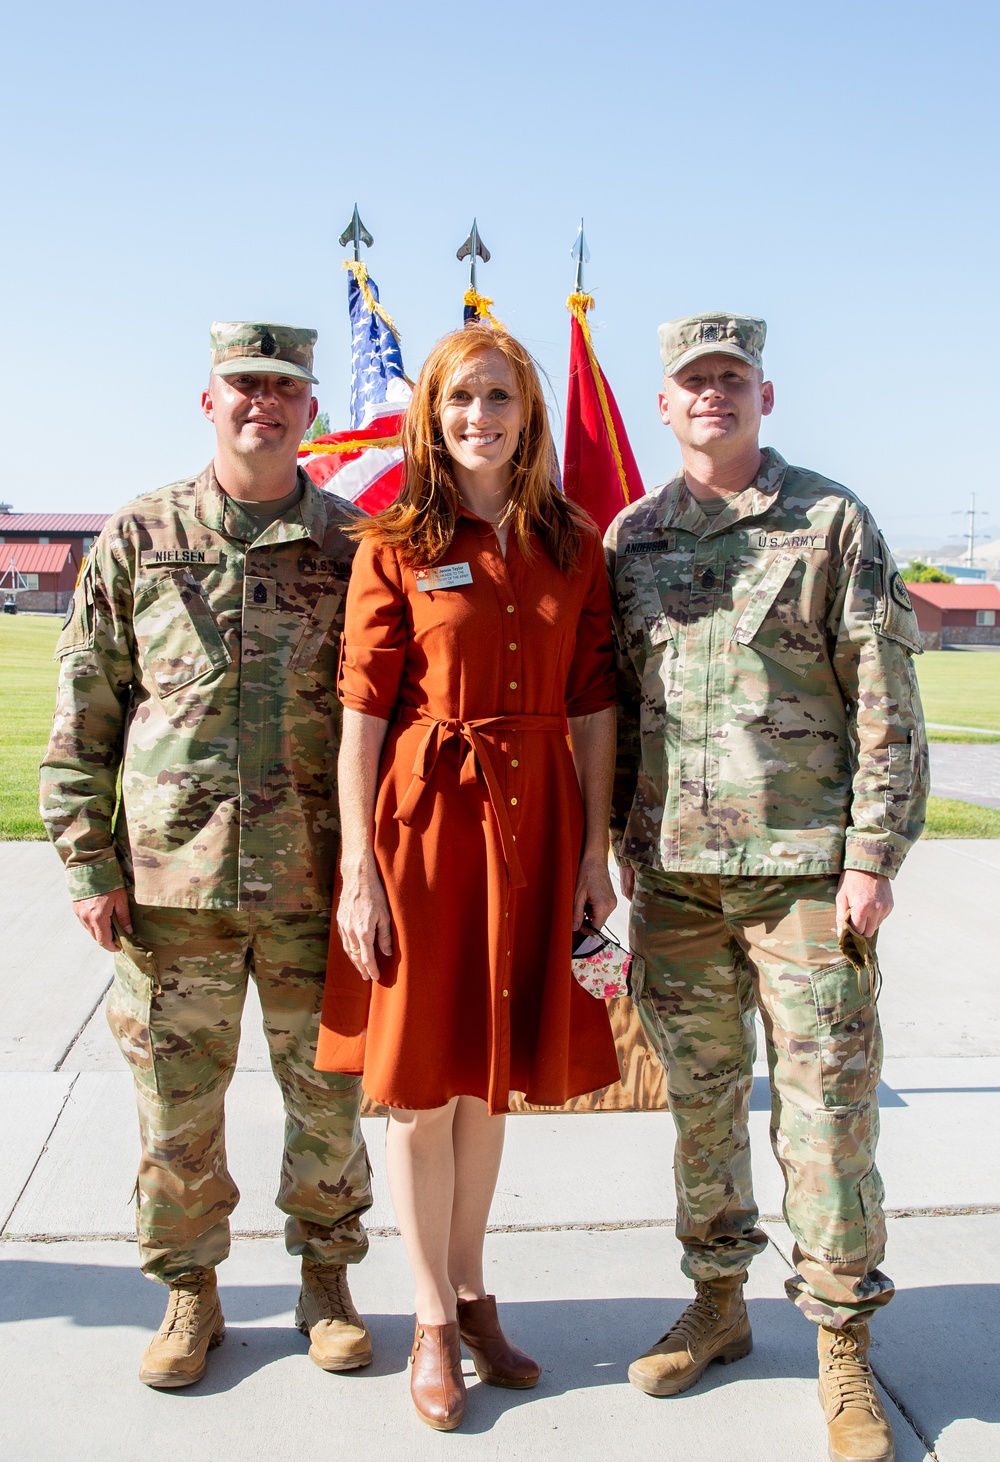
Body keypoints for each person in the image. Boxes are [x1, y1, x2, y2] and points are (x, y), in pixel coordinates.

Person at [606, 313, 927, 1462]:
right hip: (675, 884)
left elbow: (885, 699)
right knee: (700, 1112)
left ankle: (842, 1342)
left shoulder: (830, 520)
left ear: (764, 395)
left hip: (801, 879)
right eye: (692, 382)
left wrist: (871, 858)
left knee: (827, 1117)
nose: (711, 396)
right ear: (664, 403)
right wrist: (613, 857)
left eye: (730, 379)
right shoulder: (632, 539)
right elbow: (613, 713)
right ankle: (719, 1300)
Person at [40, 322, 373, 1389]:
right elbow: (86, 704)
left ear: (310, 410)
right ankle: (191, 1289)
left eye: (284, 390)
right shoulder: (140, 533)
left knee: (327, 1095)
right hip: (169, 884)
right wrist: (89, 860)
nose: (263, 406)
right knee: (176, 1106)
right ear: (209, 400)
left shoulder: (353, 545)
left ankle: (326, 1279)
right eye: (244, 386)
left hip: (313, 882)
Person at [316, 324, 621, 1430]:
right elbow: (360, 711)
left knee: (489, 1082)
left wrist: (591, 852)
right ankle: (430, 1320)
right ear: (432, 414)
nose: (477, 418)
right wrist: (359, 866)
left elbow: (593, 701)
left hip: (537, 825)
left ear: (526, 413)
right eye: (458, 400)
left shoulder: (573, 542)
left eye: (497, 397)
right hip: (425, 823)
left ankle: (477, 1293)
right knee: (418, 1083)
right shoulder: (394, 540)